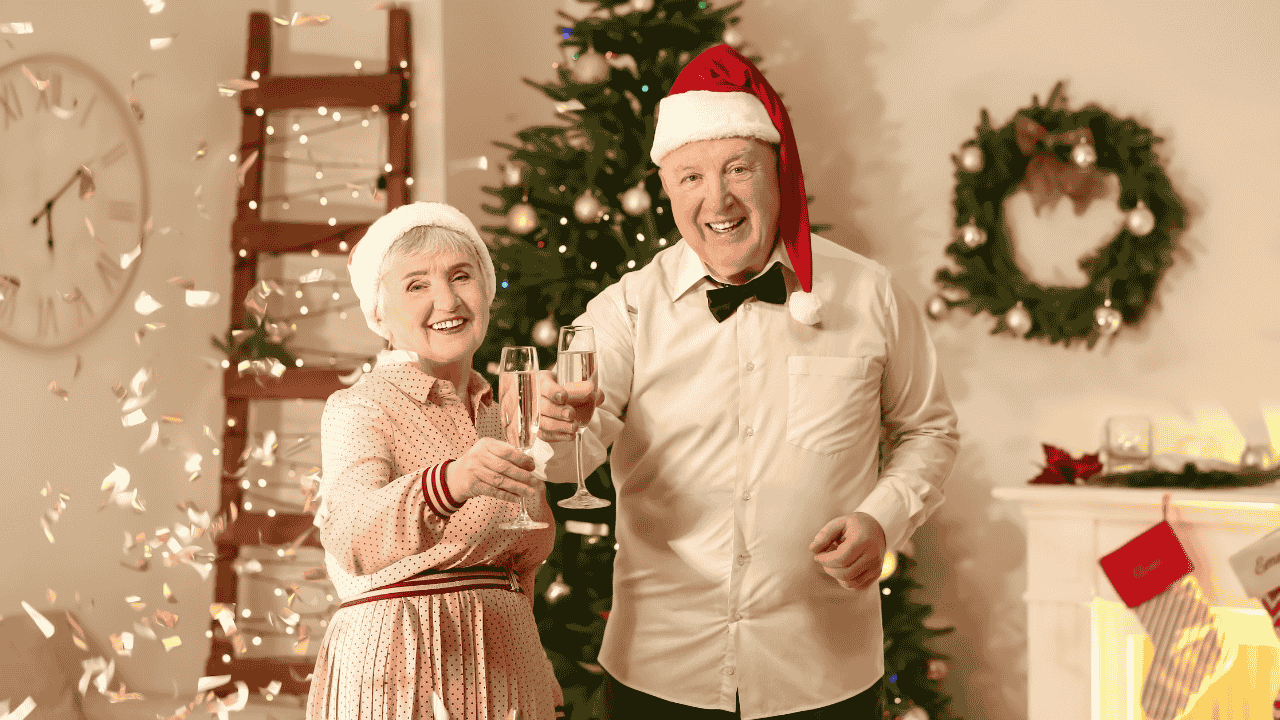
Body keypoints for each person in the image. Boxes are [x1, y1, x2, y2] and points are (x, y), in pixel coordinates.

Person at [537, 45, 961, 720]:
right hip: (660, 673)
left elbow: (928, 431)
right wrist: (559, 428)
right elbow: (565, 460)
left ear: (777, 172)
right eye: (691, 177)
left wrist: (883, 520)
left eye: (739, 168)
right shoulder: (624, 311)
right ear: (667, 189)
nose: (718, 199)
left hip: (823, 673)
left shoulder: (871, 294)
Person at [307, 202, 564, 720]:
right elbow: (351, 537)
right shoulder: (361, 406)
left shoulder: (501, 412)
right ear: (378, 312)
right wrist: (448, 482)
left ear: (486, 290)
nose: (447, 300)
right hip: (400, 673)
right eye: (416, 284)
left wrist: (540, 676)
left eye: (461, 276)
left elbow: (522, 562)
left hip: (511, 674)